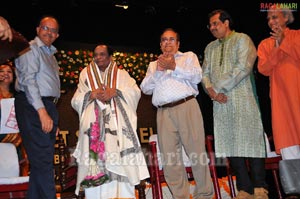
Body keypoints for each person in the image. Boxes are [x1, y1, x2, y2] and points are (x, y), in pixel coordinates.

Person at [201, 9, 268, 199]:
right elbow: (204, 73)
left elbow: (243, 67)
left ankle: (259, 188)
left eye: (215, 24)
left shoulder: (242, 39)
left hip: (242, 98)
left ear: (226, 22)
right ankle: (244, 189)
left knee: (251, 141)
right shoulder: (210, 48)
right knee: (230, 143)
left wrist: (218, 88)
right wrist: (212, 92)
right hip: (220, 104)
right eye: (210, 25)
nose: (212, 28)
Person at [140, 28, 214, 199]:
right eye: (164, 40)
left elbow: (196, 77)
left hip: (187, 106)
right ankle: (180, 196)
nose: (167, 43)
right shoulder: (153, 65)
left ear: (178, 43)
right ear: (160, 45)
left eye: (171, 39)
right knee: (170, 158)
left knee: (196, 153)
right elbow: (145, 88)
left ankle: (204, 195)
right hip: (163, 112)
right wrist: (159, 70)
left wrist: (173, 66)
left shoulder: (188, 57)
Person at [71, 44, 149, 198]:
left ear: (110, 57)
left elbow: (135, 92)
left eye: (102, 54)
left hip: (118, 129)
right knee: (95, 166)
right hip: (93, 131)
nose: (98, 58)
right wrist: (91, 95)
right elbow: (75, 100)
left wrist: (116, 92)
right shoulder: (85, 75)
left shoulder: (122, 75)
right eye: (96, 55)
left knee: (120, 166)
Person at [14, 16, 60, 199]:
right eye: (45, 28)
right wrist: (41, 112)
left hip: (46, 106)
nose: (48, 32)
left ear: (57, 35)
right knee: (43, 161)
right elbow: (28, 81)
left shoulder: (50, 54)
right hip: (33, 105)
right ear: (37, 29)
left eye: (53, 30)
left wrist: (50, 115)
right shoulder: (30, 48)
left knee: (42, 160)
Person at [257, 6, 300, 160]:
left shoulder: (297, 36)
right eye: (268, 18)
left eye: (274, 17)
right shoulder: (265, 44)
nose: (271, 21)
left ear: (286, 18)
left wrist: (284, 41)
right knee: (291, 154)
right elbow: (263, 69)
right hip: (281, 105)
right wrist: (278, 46)